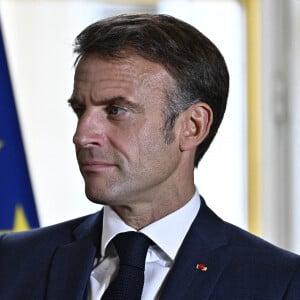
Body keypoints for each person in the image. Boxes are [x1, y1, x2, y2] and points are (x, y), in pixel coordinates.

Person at [0, 13, 299, 300]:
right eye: (80, 111)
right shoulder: (11, 261)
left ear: (192, 127)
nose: (82, 135)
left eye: (116, 110)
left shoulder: (278, 282)